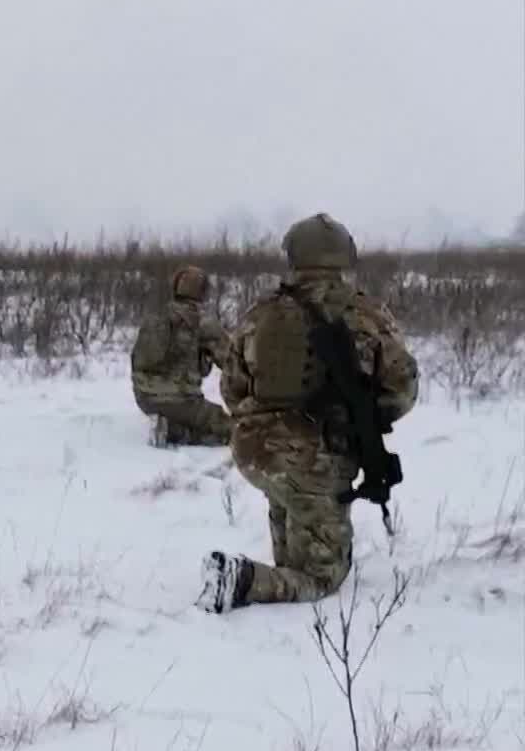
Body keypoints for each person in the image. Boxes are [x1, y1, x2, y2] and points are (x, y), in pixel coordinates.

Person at [197, 213, 420, 614]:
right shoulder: (367, 314)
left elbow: (232, 389)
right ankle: (242, 580)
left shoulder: (258, 314)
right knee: (322, 576)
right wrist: (359, 421)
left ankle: (285, 560)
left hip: (254, 453)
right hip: (317, 459)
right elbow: (402, 389)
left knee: (288, 502)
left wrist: (267, 423)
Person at [130, 265, 233, 447]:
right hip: (181, 402)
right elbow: (233, 362)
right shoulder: (203, 322)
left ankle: (170, 426)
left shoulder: (156, 316)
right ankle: (173, 433)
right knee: (234, 430)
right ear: (202, 292)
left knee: (193, 418)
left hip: (144, 398)